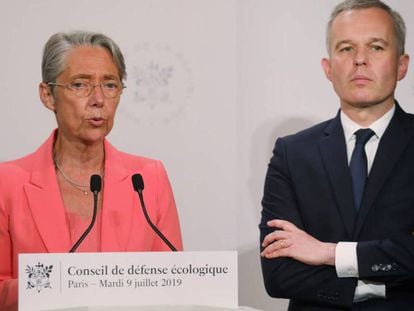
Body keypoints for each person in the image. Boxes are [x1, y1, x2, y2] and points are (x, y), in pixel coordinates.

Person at [0, 31, 183, 310]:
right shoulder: (7, 183)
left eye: (110, 85)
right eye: (80, 85)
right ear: (48, 95)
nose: (98, 99)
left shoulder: (147, 179)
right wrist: (60, 285)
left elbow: (175, 282)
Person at [259, 0, 414, 310]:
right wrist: (381, 286)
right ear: (328, 68)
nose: (359, 60)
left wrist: (329, 253)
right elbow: (279, 273)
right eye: (345, 49)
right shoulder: (292, 153)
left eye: (376, 47)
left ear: (401, 65)